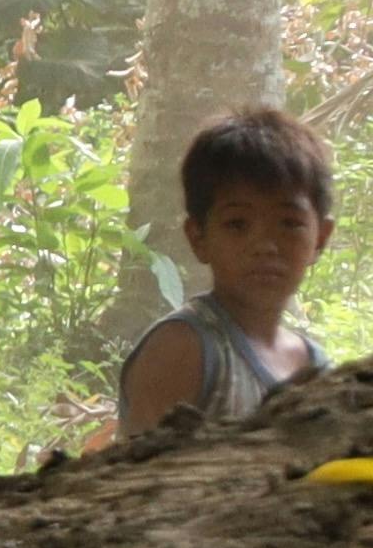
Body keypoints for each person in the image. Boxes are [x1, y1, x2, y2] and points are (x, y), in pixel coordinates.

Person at [114, 106, 331, 434]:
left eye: (289, 223)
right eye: (237, 224)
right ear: (198, 237)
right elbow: (135, 464)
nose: (265, 245)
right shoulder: (182, 350)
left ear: (321, 238)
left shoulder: (317, 369)